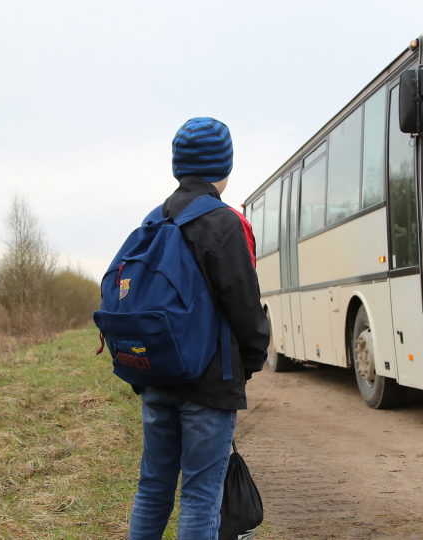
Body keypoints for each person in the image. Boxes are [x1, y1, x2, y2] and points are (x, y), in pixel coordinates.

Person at [128, 117, 271, 540]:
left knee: (152, 489)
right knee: (200, 496)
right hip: (209, 384)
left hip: (157, 377)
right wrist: (250, 362)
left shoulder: (153, 221)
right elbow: (245, 307)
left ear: (178, 165)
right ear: (224, 167)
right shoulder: (224, 222)